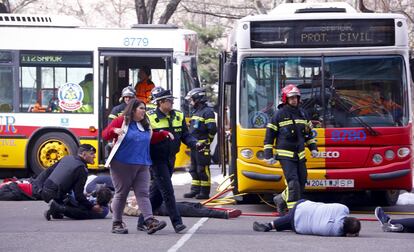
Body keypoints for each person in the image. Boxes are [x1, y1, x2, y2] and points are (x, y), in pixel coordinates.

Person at [138, 89, 204, 233]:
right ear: (160, 103)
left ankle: (142, 221)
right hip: (156, 159)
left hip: (170, 158)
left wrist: (195, 144)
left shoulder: (178, 115)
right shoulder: (149, 117)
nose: (172, 102)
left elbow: (186, 136)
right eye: (169, 100)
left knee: (157, 193)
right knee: (167, 191)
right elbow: (144, 139)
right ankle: (177, 223)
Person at [102, 98, 167, 235]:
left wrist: (162, 134)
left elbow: (149, 138)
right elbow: (105, 134)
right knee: (122, 193)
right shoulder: (122, 120)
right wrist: (114, 130)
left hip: (142, 163)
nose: (144, 111)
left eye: (144, 108)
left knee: (143, 193)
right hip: (122, 163)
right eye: (141, 108)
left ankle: (149, 221)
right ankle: (117, 223)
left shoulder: (145, 124)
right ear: (133, 110)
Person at [263, 84, 318, 215]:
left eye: (296, 98)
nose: (294, 100)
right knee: (293, 182)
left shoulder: (303, 113)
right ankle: (293, 212)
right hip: (285, 155)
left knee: (302, 181)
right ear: (285, 99)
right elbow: (269, 137)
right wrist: (268, 155)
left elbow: (309, 134)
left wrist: (313, 148)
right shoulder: (279, 114)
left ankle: (280, 199)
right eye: (291, 98)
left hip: (300, 155)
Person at [40, 144, 99, 216]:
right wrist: (92, 207)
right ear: (84, 154)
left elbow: (48, 171)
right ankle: (59, 208)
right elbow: (78, 196)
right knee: (83, 211)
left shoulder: (67, 158)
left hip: (44, 191)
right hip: (55, 195)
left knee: (71, 201)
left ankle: (56, 209)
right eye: (92, 154)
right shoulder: (81, 169)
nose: (94, 156)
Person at [253, 200, 361, 237]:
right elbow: (342, 232)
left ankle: (270, 225)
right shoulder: (335, 232)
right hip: (297, 226)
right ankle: (270, 225)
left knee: (295, 216)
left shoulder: (343, 209)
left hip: (302, 204)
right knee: (293, 220)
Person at [183, 87, 217, 199]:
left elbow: (212, 129)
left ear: (198, 99)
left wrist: (207, 142)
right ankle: (195, 190)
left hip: (203, 146)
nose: (190, 102)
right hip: (194, 146)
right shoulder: (196, 111)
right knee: (193, 168)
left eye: (192, 99)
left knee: (202, 169)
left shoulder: (208, 112)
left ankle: (204, 192)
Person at [44, 185, 113, 220]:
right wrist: (88, 195)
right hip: (77, 207)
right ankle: (57, 210)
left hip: (80, 211)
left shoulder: (103, 210)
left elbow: (90, 206)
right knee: (75, 200)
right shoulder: (98, 203)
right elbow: (87, 199)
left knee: (81, 210)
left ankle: (58, 209)